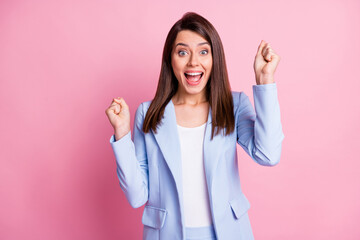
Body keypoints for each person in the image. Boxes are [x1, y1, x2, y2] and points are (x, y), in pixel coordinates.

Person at [105, 12, 284, 240]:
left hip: (229, 233)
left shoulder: (234, 105)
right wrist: (122, 134)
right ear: (170, 59)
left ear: (214, 58)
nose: (193, 62)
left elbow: (268, 154)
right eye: (182, 52)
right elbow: (136, 196)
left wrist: (265, 80)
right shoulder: (148, 113)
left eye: (203, 51)